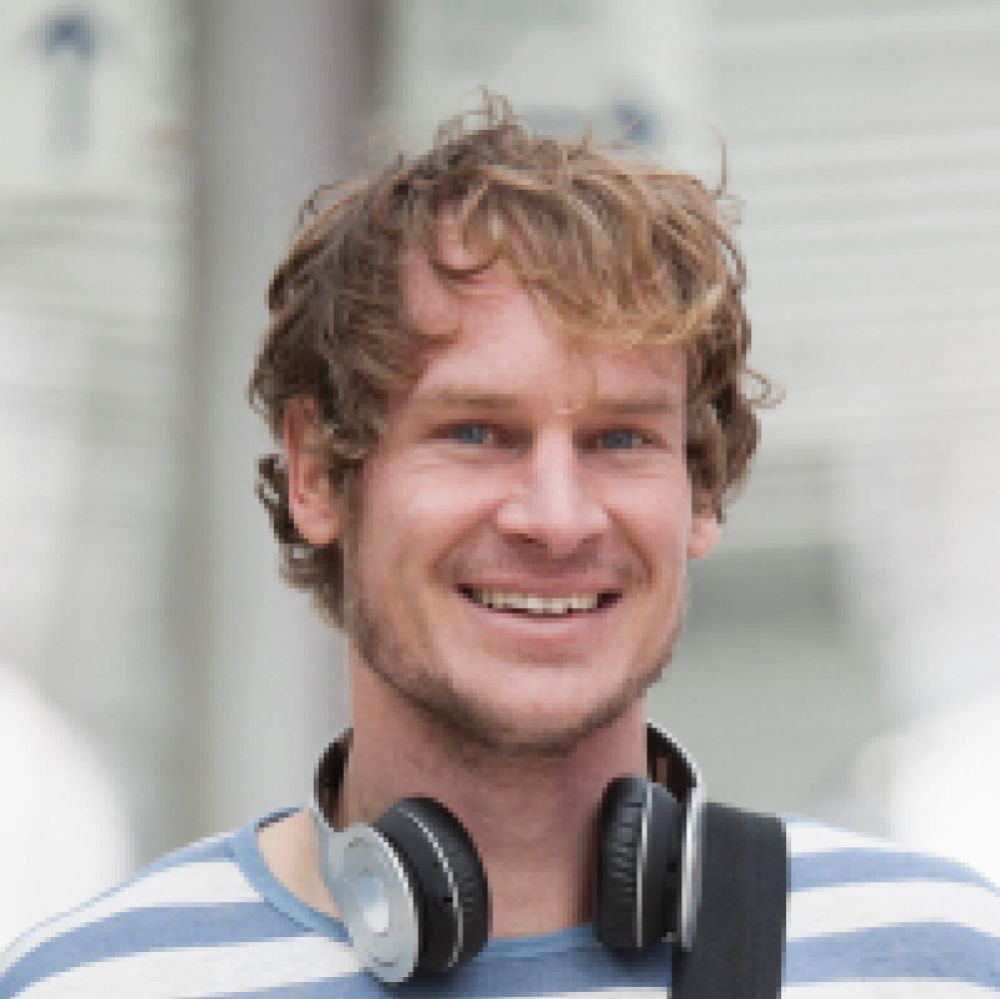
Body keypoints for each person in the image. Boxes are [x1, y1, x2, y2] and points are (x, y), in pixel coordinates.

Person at [3, 95, 997, 998]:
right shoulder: (95, 986)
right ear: (317, 473)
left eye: (621, 438)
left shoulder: (942, 962)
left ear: (700, 490)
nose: (557, 519)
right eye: (476, 432)